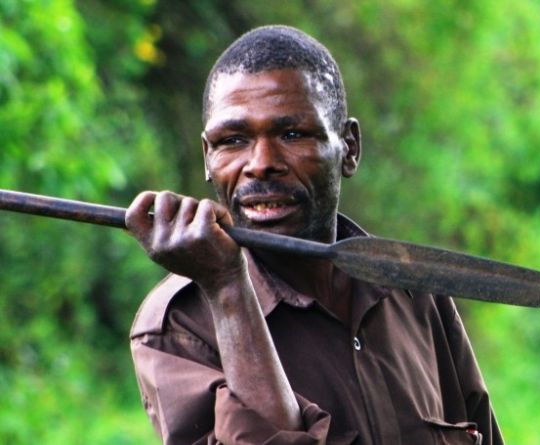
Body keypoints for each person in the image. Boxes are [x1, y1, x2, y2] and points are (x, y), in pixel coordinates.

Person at [125, 25, 502, 444]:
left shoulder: (412, 285)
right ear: (208, 158)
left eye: (292, 134)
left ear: (349, 147)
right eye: (233, 140)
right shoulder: (178, 325)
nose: (261, 163)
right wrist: (227, 289)